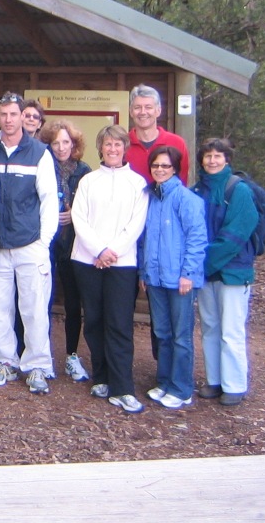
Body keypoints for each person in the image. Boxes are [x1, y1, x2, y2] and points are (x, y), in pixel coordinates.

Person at [0, 92, 59, 394]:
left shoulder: (39, 152)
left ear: (23, 116)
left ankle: (37, 365)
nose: (9, 120)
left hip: (29, 244)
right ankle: (4, 361)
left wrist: (43, 243)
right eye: (4, 114)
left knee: (34, 308)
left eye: (14, 114)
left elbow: (50, 201)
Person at [71, 124, 149, 413]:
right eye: (107, 145)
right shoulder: (89, 181)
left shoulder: (138, 183)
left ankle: (122, 386)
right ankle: (101, 377)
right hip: (87, 261)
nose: (112, 149)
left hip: (122, 264)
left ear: (124, 149)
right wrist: (98, 250)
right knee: (94, 320)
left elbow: (135, 225)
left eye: (118, 145)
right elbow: (79, 218)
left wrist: (111, 251)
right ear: (100, 148)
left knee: (118, 324)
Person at [193, 137, 259, 406]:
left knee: (231, 330)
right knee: (209, 327)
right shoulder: (197, 190)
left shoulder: (239, 190)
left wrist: (204, 262)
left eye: (217, 156)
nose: (212, 160)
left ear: (227, 159)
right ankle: (214, 380)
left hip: (233, 272)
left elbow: (237, 233)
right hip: (206, 273)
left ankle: (234, 385)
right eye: (208, 156)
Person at [141, 145, 208, 410]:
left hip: (180, 279)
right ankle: (165, 381)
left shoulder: (186, 199)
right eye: (156, 165)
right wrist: (143, 273)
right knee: (162, 333)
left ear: (175, 168)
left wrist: (188, 273)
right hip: (155, 278)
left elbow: (197, 238)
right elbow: (144, 239)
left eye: (165, 166)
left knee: (181, 335)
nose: (159, 170)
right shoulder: (150, 198)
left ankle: (181, 388)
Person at [38, 118, 91, 383]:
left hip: (74, 243)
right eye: (55, 142)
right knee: (43, 300)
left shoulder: (85, 171)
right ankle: (42, 355)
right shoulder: (42, 166)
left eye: (66, 142)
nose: (61, 148)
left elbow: (92, 207)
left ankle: (71, 355)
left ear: (74, 143)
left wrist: (75, 216)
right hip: (47, 242)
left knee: (73, 302)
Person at [125, 84, 190, 184]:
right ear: (131, 112)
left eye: (148, 107)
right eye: (137, 107)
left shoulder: (176, 143)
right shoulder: (122, 144)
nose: (143, 112)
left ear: (158, 111)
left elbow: (182, 183)